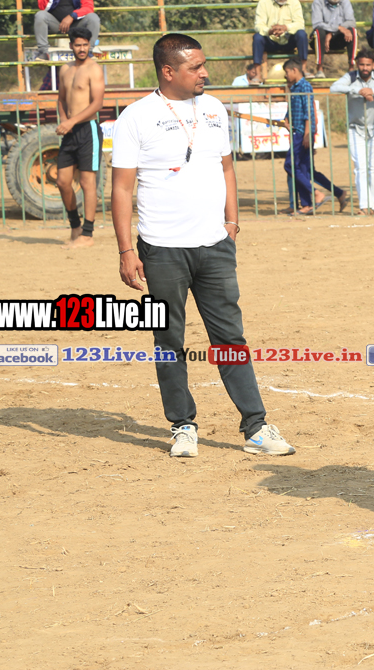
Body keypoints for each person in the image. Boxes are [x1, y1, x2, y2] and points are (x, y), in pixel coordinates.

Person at [111, 33, 296, 458]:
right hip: (161, 250)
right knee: (168, 340)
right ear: (168, 71)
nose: (204, 73)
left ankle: (256, 427)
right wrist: (126, 251)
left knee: (230, 337)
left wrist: (231, 221)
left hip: (215, 247)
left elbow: (226, 168)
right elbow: (121, 189)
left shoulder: (213, 108)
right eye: (195, 67)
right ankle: (182, 427)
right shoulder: (136, 117)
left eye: (203, 65)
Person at [330, 49, 374, 214]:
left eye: (368, 65)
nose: (365, 68)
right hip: (355, 128)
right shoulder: (350, 77)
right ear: (357, 64)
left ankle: (372, 206)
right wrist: (358, 91)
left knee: (373, 168)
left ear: (373, 65)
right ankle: (364, 206)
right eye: (362, 64)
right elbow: (334, 88)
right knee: (360, 167)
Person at [54, 27, 106, 247]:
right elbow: (61, 99)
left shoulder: (94, 69)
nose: (82, 48)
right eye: (78, 45)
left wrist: (71, 121)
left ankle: (87, 234)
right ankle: (75, 226)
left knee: (87, 182)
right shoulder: (65, 69)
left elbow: (97, 103)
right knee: (62, 181)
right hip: (70, 131)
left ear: (89, 45)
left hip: (88, 130)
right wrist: (64, 120)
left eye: (85, 44)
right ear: (71, 46)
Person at [282, 59, 348, 215]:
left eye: (287, 72)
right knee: (305, 170)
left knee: (290, 165)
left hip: (302, 133)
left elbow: (308, 112)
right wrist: (286, 119)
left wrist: (307, 134)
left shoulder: (305, 86)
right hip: (299, 132)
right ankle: (313, 202)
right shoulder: (294, 88)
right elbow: (293, 108)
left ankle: (316, 194)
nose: (286, 76)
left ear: (294, 70)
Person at [253, 0, 309, 74]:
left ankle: (303, 69)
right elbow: (259, 25)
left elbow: (300, 24)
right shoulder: (263, 3)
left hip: (288, 40)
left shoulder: (294, 2)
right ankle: (257, 73)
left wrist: (285, 28)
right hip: (271, 40)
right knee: (257, 37)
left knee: (302, 34)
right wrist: (270, 31)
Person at [311, 0, 358, 79]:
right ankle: (319, 69)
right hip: (321, 40)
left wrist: (332, 33)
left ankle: (351, 68)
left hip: (338, 38)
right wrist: (338, 27)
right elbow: (317, 24)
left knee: (352, 31)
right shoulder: (318, 1)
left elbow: (351, 21)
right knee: (319, 32)